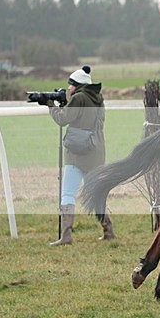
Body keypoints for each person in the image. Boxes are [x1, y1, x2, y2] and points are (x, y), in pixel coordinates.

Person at [44, 65, 115, 245]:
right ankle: (108, 230)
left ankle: (66, 236)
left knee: (68, 194)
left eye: (71, 84)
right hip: (96, 152)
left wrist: (51, 105)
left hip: (77, 153)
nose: (68, 88)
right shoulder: (98, 98)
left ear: (76, 85)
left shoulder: (78, 98)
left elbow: (63, 119)